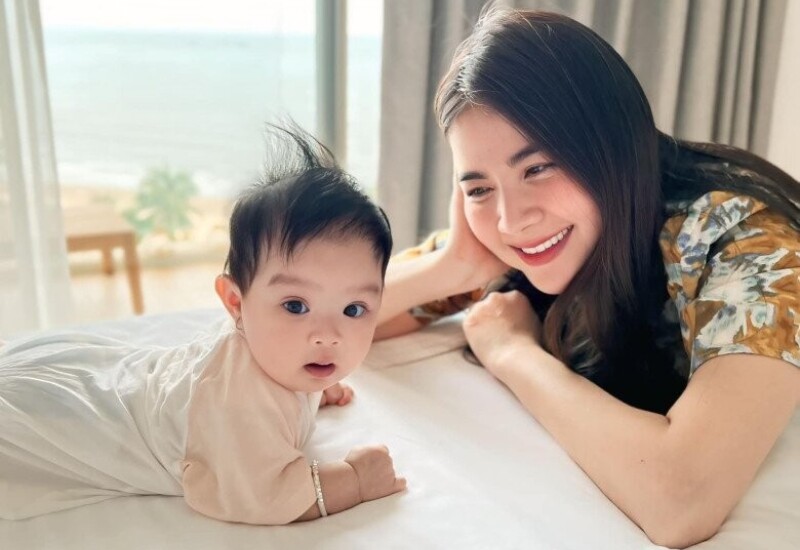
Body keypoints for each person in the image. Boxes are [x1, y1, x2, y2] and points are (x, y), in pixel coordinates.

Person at [375, 8, 799, 548]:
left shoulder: (747, 240)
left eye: (537, 168)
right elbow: (334, 320)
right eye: (479, 189)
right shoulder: (513, 235)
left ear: (609, 144)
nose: (511, 220)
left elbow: (681, 502)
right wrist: (451, 268)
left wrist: (510, 352)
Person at [0, 124, 405, 524]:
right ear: (236, 303)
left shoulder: (275, 351)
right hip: (71, 426)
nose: (327, 336)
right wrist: (355, 480)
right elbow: (263, 496)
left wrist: (314, 385)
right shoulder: (240, 406)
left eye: (353, 310)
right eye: (296, 306)